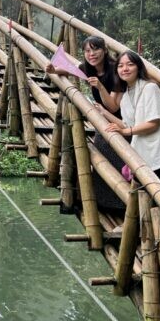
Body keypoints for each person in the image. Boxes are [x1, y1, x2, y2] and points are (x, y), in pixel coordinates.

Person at [46, 36, 127, 210]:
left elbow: (113, 107)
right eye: (87, 51)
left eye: (96, 49)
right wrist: (54, 70)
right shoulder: (87, 68)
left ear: (105, 50)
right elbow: (69, 71)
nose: (92, 54)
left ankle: (122, 206)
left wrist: (99, 87)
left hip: (120, 121)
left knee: (116, 161)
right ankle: (104, 204)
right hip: (102, 120)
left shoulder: (115, 70)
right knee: (100, 160)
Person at [99, 50, 160, 195]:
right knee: (145, 204)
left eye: (130, 64)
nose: (125, 69)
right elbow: (128, 124)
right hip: (141, 157)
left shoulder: (150, 88)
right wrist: (105, 113)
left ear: (138, 67)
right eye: (120, 66)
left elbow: (153, 123)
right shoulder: (125, 96)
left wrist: (125, 131)